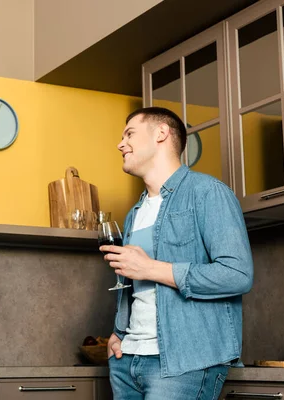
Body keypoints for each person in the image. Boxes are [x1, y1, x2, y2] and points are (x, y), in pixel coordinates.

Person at [100, 107, 253, 400]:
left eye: (129, 133)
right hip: (127, 360)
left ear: (161, 133)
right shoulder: (135, 213)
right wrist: (119, 333)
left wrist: (151, 268)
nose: (120, 144)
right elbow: (136, 286)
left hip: (183, 363)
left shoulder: (207, 192)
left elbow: (238, 275)